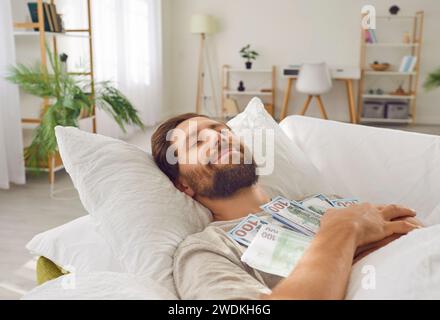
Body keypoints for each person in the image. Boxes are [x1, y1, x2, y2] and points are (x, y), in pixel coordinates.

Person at [151, 113, 422, 300]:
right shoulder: (208, 250)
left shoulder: (322, 202)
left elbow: (409, 228)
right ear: (184, 186)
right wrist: (342, 231)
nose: (218, 138)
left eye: (222, 130)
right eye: (197, 142)